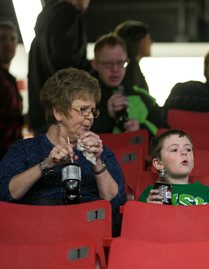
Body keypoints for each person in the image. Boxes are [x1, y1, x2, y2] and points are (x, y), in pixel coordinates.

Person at [0, 68, 126, 236]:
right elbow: (5, 193)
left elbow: (116, 204)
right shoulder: (25, 149)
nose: (90, 117)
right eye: (83, 110)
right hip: (38, 233)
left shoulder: (102, 153)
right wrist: (46, 164)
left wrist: (96, 161)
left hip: (86, 234)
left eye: (92, 111)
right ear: (58, 112)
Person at [28, 0, 91, 136]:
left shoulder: (46, 20)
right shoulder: (68, 15)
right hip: (63, 115)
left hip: (43, 114)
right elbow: (67, 64)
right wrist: (93, 70)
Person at [90, 33, 166, 136]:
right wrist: (106, 115)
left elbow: (166, 136)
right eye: (108, 64)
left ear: (127, 62)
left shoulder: (141, 96)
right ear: (95, 64)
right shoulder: (82, 99)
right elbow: (72, 135)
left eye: (121, 63)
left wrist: (140, 128)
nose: (115, 69)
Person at [139, 129, 209, 205]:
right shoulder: (152, 194)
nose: (184, 153)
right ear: (159, 164)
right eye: (175, 150)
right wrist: (148, 209)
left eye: (188, 149)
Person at [0, 21, 23, 160]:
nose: (8, 44)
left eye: (12, 39)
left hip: (10, 157)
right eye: (2, 38)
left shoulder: (10, 80)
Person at [113, 20, 152, 92]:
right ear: (140, 42)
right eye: (148, 39)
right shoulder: (131, 71)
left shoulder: (128, 68)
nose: (151, 43)